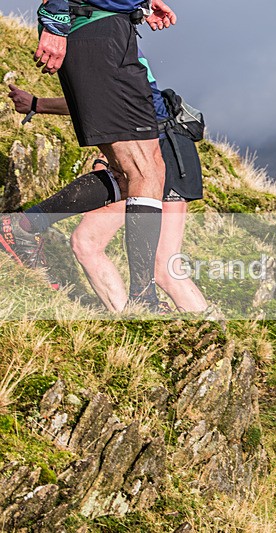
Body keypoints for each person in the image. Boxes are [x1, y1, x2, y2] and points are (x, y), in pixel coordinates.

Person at [0, 0, 177, 311]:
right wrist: (55, 19)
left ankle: (24, 225)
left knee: (131, 174)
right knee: (146, 169)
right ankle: (143, 301)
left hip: (104, 27)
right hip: (95, 27)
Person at [7, 80, 208, 313]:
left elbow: (98, 104)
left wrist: (38, 104)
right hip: (148, 150)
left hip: (162, 151)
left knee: (163, 266)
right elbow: (101, 105)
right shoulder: (107, 51)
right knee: (86, 242)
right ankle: (133, 321)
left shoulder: (106, 48)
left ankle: (211, 335)